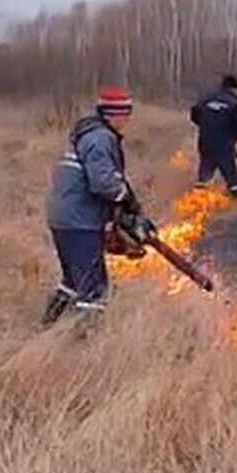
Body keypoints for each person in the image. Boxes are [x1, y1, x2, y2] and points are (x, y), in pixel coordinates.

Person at [40, 86, 139, 327]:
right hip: (79, 220)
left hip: (63, 218)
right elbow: (103, 183)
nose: (127, 119)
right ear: (114, 114)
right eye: (126, 113)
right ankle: (85, 344)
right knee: (93, 287)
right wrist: (126, 198)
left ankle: (47, 327)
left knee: (73, 281)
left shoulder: (87, 135)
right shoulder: (100, 138)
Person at [190, 74, 237, 199]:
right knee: (232, 177)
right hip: (224, 146)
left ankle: (198, 196)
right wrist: (231, 142)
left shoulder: (206, 98)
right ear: (234, 88)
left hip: (205, 142)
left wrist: (206, 126)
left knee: (205, 172)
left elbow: (193, 113)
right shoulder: (234, 103)